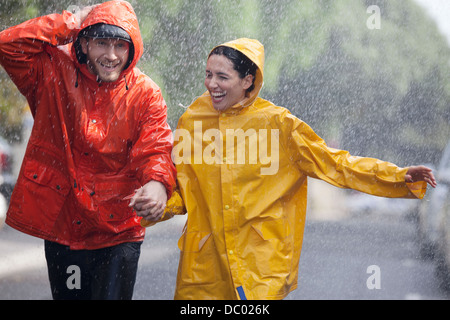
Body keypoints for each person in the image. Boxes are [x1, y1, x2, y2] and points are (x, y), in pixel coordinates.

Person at [159, 38, 436, 300]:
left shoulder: (279, 125)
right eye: (208, 74)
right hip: (202, 268)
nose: (211, 84)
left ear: (247, 80)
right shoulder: (193, 120)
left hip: (258, 268)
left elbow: (335, 164)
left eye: (222, 77)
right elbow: (183, 190)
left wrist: (397, 176)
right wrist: (155, 205)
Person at [0, 1, 176, 300]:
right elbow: (7, 45)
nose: (110, 55)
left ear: (133, 48)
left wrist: (158, 184)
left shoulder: (146, 93)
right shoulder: (52, 71)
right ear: (84, 41)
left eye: (120, 45)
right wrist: (71, 21)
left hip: (118, 229)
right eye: (101, 43)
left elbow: (156, 148)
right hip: (64, 227)